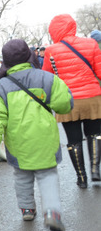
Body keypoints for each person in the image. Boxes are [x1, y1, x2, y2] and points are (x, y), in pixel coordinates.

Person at [0, 39, 73, 231]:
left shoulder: (1, 87)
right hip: (45, 140)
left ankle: (27, 209)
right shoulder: (46, 78)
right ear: (29, 56)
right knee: (47, 175)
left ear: (5, 62)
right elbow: (64, 104)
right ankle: (52, 213)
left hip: (18, 143)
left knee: (22, 176)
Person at [42, 14, 101, 188]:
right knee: (95, 134)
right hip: (92, 98)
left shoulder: (51, 50)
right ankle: (95, 170)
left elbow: (48, 78)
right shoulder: (91, 44)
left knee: (74, 140)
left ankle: (81, 178)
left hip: (68, 101)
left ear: (54, 30)